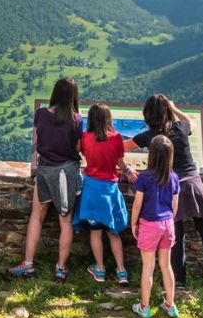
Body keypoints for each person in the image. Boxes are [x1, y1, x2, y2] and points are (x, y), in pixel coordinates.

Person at [126, 94, 203, 294]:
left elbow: (122, 146)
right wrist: (175, 108)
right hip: (194, 186)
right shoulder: (179, 128)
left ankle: (180, 282)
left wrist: (123, 165)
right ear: (166, 111)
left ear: (147, 115)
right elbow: (191, 122)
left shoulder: (148, 137)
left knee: (175, 236)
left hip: (170, 187)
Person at [8, 77, 82, 282]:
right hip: (66, 173)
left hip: (44, 171)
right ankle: (60, 268)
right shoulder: (76, 119)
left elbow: (39, 141)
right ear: (73, 96)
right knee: (65, 221)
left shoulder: (41, 114)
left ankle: (28, 264)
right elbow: (77, 148)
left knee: (36, 217)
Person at [74, 102, 131, 284]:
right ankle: (122, 271)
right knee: (113, 232)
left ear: (90, 119)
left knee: (96, 232)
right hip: (110, 189)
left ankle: (100, 269)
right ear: (108, 118)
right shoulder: (116, 138)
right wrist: (128, 170)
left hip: (91, 189)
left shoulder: (85, 137)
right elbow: (121, 164)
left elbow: (81, 154)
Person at [130, 135, 180, 318]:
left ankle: (145, 307)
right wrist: (168, 222)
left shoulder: (144, 177)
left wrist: (134, 223)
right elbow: (175, 206)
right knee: (166, 266)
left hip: (149, 224)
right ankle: (170, 305)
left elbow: (137, 204)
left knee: (148, 267)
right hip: (168, 224)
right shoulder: (174, 177)